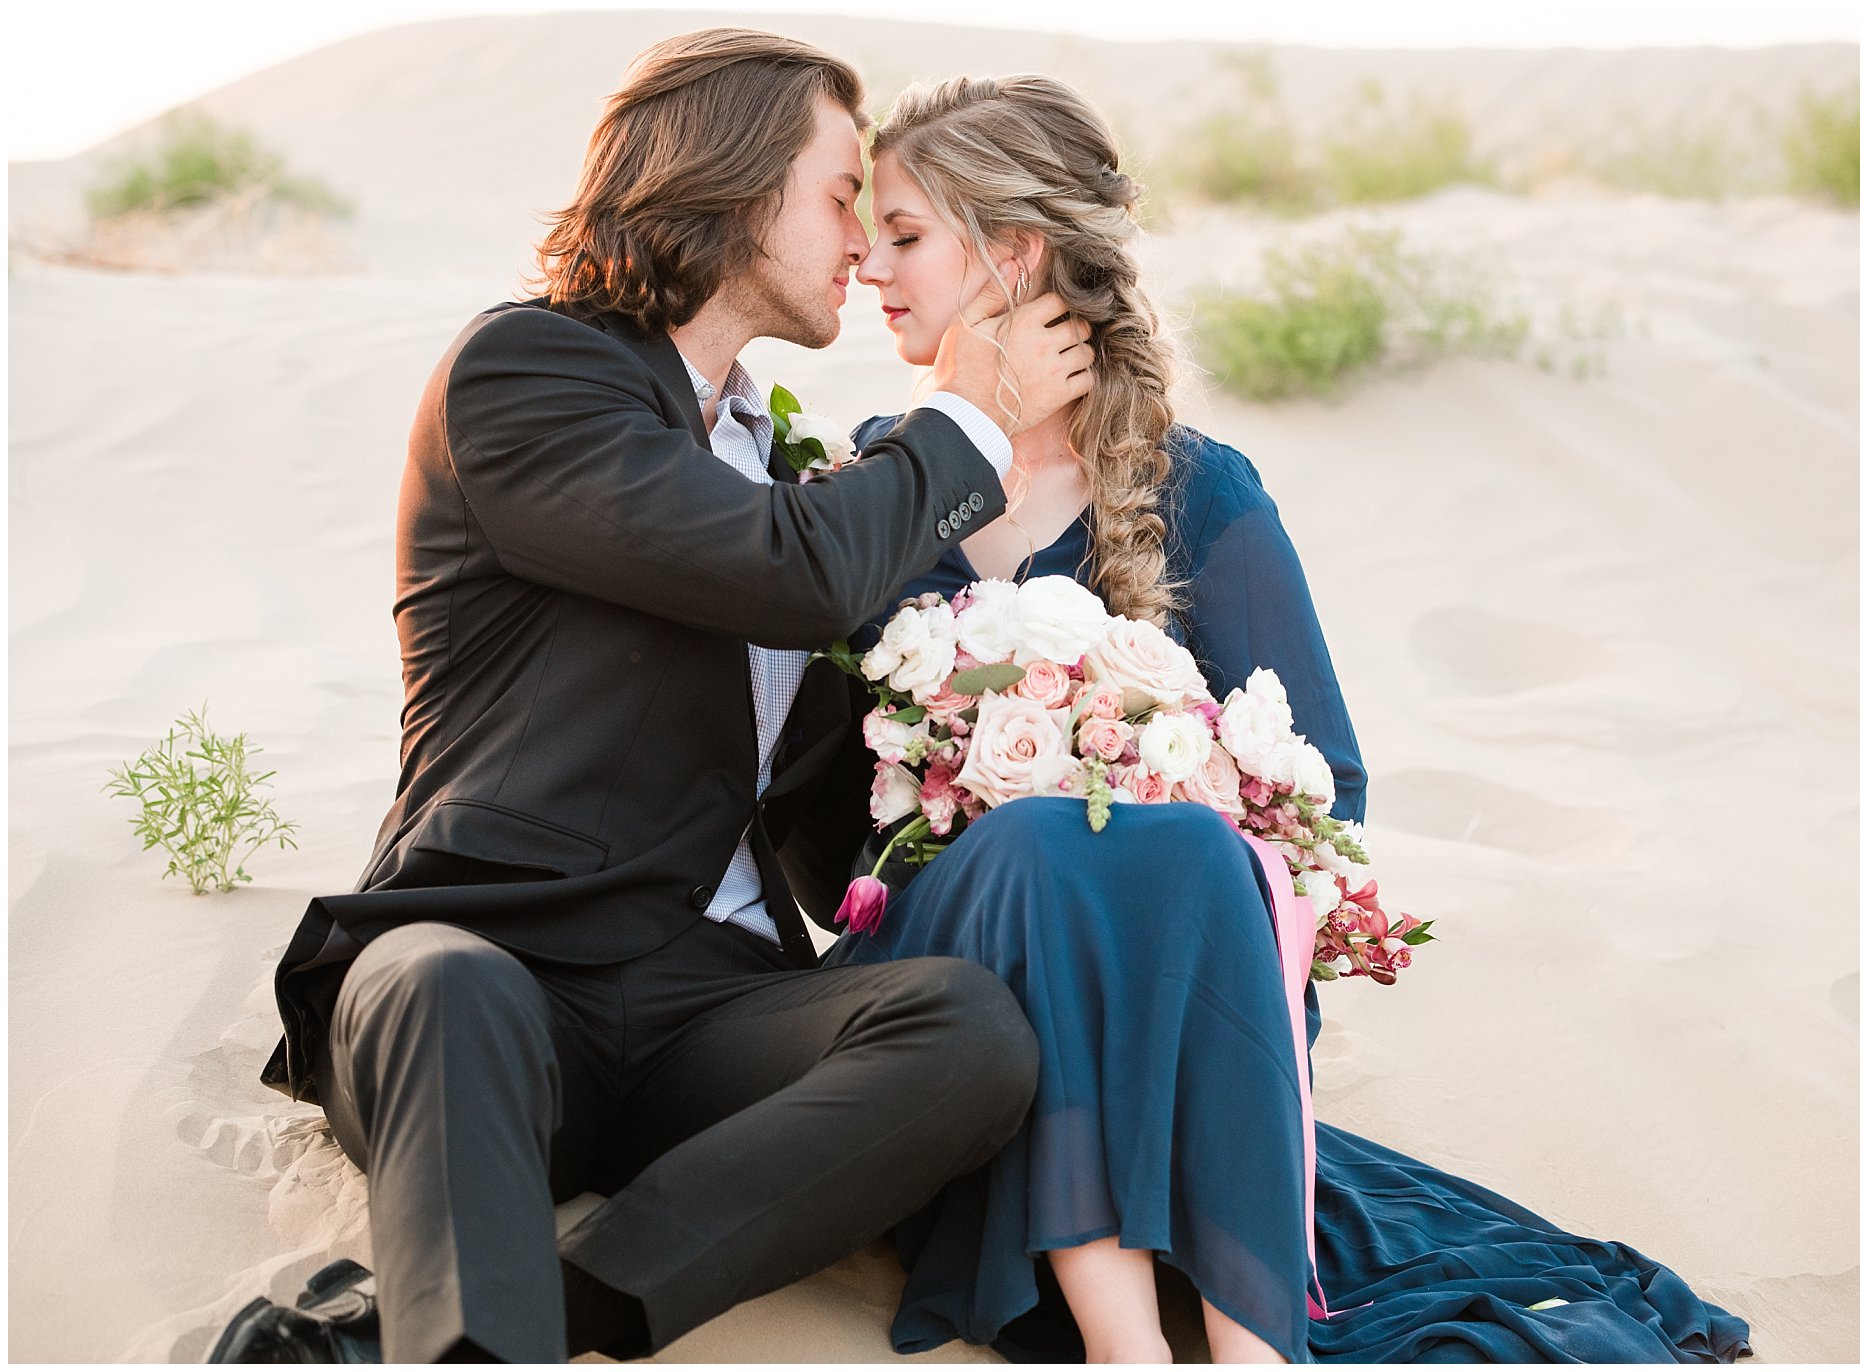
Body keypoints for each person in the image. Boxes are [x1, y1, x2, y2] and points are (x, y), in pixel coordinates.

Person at [805, 73, 1758, 1364]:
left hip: (1177, 966)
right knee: (1036, 849)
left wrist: (1156, 788)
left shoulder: (1195, 488)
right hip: (953, 984)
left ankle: (1253, 1346)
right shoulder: (883, 481)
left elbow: (1321, 790)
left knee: (1186, 847)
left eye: (907, 231)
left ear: (1012, 248)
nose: (872, 265)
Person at [209, 30, 1099, 1364]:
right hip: (498, 971)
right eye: (841, 192)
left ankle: (519, 1313)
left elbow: (813, 780)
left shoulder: (774, 453)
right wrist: (967, 422)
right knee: (439, 986)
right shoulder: (531, 374)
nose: (860, 245)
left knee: (966, 1033)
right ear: (737, 186)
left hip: (707, 1008)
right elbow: (781, 573)